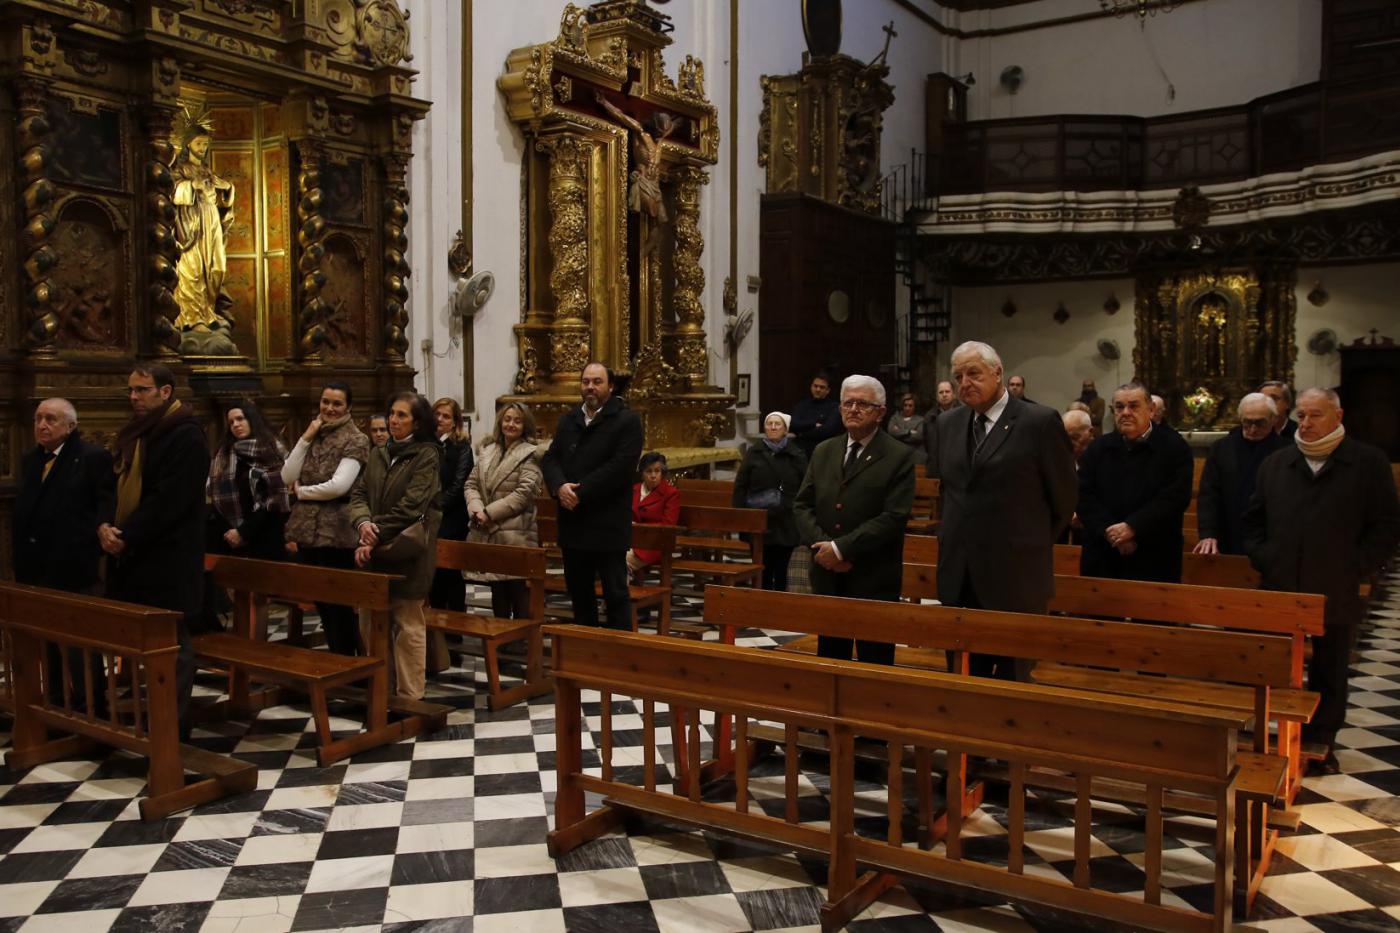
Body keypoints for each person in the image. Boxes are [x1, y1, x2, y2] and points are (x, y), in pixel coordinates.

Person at [1244, 388, 1400, 773]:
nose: (1307, 424)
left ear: (1338, 415)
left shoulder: (1367, 463)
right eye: (1301, 416)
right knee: (1279, 664)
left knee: (1330, 667)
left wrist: (1357, 567)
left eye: (1315, 416)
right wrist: (1266, 558)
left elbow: (1386, 527)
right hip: (1281, 583)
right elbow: (1253, 522)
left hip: (1334, 583)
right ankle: (1279, 736)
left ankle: (1323, 739)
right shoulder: (1277, 464)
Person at [931, 342, 1078, 680]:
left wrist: (1029, 542)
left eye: (973, 373)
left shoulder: (1038, 421)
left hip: (1016, 573)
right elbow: (951, 490)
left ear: (997, 372)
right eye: (958, 376)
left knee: (1013, 680)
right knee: (964, 680)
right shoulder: (948, 423)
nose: (964, 383)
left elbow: (1064, 498)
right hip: (961, 571)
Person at [99, 364, 209, 733]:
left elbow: (169, 501)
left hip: (169, 558)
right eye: (131, 390)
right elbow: (116, 485)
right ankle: (151, 713)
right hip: (139, 553)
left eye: (142, 390)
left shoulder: (186, 436)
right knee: (152, 643)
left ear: (165, 392)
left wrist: (126, 534)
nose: (134, 397)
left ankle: (170, 726)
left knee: (174, 646)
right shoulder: (140, 433)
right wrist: (106, 527)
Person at [794, 375, 915, 665]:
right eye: (848, 402)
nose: (854, 409)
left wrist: (841, 549)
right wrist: (823, 550)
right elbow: (802, 505)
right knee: (831, 662)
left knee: (875, 664)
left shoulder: (898, 455)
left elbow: (894, 517)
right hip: (827, 576)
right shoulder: (825, 451)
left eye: (863, 403)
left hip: (873, 577)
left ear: (881, 412)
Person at [13, 398, 114, 714]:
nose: (42, 425)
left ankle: (91, 705)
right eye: (38, 419)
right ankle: (57, 702)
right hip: (36, 566)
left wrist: (100, 533)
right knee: (46, 641)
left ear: (70, 426)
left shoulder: (91, 457)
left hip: (73, 566)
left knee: (78, 643)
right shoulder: (32, 458)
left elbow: (104, 503)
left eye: (51, 419)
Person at [349, 392, 443, 701]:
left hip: (407, 550)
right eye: (392, 414)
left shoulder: (427, 454)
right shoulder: (378, 453)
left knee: (407, 623)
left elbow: (412, 506)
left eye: (402, 415)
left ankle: (409, 696)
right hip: (374, 550)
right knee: (370, 621)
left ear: (417, 422)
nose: (393, 420)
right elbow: (359, 494)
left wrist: (373, 534)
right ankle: (381, 689)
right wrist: (363, 524)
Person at [541, 362, 645, 629]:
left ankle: (620, 657)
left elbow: (620, 467)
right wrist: (559, 487)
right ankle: (584, 655)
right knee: (578, 593)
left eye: (597, 382)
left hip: (607, 523)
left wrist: (579, 492)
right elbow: (551, 459)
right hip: (573, 522)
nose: (590, 387)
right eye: (586, 381)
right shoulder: (569, 419)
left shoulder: (627, 421)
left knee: (615, 594)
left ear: (610, 386)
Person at [283, 382, 371, 656]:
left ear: (348, 407)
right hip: (308, 531)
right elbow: (286, 475)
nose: (329, 408)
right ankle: (337, 660)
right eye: (325, 402)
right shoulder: (314, 434)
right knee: (321, 602)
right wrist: (306, 437)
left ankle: (351, 668)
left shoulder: (356, 439)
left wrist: (302, 492)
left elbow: (339, 486)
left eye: (336, 404)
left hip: (338, 531)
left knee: (339, 606)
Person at [1077, 383, 1193, 583]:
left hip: (1154, 551)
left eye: (1133, 406)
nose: (1126, 412)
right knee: (1099, 613)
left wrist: (1133, 527)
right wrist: (1110, 531)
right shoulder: (1098, 448)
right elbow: (1083, 495)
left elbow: (1174, 498)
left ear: (1151, 409)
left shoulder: (1174, 447)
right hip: (1104, 551)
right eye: (1120, 407)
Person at [465, 402, 544, 620]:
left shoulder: (531, 454)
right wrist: (476, 509)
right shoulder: (488, 450)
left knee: (517, 591)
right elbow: (471, 484)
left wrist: (488, 513)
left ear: (525, 425)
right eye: (507, 419)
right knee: (497, 589)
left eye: (517, 420)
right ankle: (500, 642)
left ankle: (521, 644)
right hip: (490, 530)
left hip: (516, 533)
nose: (511, 424)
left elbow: (522, 494)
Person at [1193, 393, 1287, 556]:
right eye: (1247, 422)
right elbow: (1209, 494)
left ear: (1273, 419)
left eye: (1260, 423)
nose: (1252, 428)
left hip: (1271, 536)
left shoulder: (1286, 451)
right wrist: (1208, 533)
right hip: (1228, 530)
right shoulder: (1221, 448)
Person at [207, 399, 290, 562]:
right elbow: (215, 494)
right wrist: (233, 532)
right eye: (231, 422)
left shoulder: (271, 451)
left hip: (265, 533)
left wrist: (243, 532)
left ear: (252, 419)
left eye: (240, 419)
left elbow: (274, 500)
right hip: (230, 534)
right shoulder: (224, 454)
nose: (235, 425)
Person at [734, 412, 809, 592]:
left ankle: (779, 607)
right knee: (762, 570)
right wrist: (740, 518)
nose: (773, 427)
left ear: (785, 430)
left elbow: (806, 487)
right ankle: (762, 607)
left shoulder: (796, 455)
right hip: (759, 520)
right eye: (769, 424)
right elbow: (741, 486)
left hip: (786, 520)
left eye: (777, 424)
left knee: (782, 570)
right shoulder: (754, 453)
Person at [427, 398, 474, 672]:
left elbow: (459, 483)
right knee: (433, 582)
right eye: (437, 415)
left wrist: (437, 505)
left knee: (450, 578)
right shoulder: (426, 444)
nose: (441, 419)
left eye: (446, 416)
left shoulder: (461, 447)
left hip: (452, 519)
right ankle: (436, 639)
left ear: (455, 421)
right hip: (430, 519)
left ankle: (454, 640)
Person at [628, 452, 680, 578]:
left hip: (653, 545)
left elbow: (668, 526)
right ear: (642, 473)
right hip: (628, 540)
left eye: (657, 471)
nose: (653, 475)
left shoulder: (671, 493)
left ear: (662, 473)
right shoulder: (634, 489)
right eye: (648, 471)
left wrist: (639, 528)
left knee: (618, 561)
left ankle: (619, 595)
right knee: (604, 556)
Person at [790, 373, 842, 460]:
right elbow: (792, 424)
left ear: (828, 390)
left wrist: (801, 433)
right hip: (800, 454)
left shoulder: (834, 407)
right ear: (811, 387)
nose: (818, 389)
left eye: (822, 387)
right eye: (815, 386)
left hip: (824, 453)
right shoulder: (802, 405)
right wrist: (813, 424)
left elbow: (828, 431)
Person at [885, 393, 927, 465]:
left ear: (914, 407)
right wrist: (909, 432)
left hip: (913, 456)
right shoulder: (895, 418)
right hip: (896, 455)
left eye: (910, 406)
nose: (907, 408)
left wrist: (899, 432)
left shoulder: (921, 420)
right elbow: (891, 432)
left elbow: (919, 436)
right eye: (905, 405)